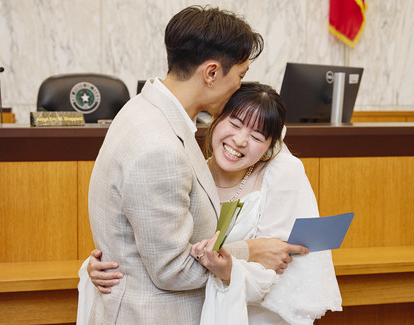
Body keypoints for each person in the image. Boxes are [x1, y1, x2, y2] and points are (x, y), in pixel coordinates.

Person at [83, 5, 308, 325]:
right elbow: (171, 270)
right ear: (212, 72)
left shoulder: (143, 109)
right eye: (240, 76)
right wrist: (251, 251)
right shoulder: (159, 147)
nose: (237, 88)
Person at [85, 83, 342, 324]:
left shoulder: (282, 173)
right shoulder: (186, 168)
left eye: (256, 136)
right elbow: (160, 245)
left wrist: (232, 270)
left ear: (268, 148)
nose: (240, 140)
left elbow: (276, 263)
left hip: (254, 315)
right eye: (235, 123)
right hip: (196, 311)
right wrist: (100, 265)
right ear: (216, 119)